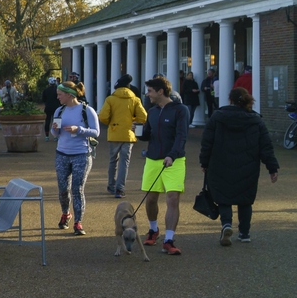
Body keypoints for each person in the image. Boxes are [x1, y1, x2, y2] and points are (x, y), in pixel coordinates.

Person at [200, 87, 279, 245]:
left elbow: (207, 142)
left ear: (230, 100)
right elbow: (266, 146)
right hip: (247, 165)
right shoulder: (256, 120)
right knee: (245, 199)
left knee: (223, 197)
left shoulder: (217, 117)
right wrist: (272, 167)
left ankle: (227, 224)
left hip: (220, 163)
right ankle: (244, 232)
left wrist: (204, 161)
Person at [140, 76, 190, 254]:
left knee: (172, 199)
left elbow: (181, 136)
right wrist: (137, 132)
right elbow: (147, 135)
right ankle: (153, 229)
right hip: (153, 160)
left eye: (150, 91)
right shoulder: (152, 112)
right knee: (151, 198)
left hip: (174, 161)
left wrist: (172, 155)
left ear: (160, 91)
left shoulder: (180, 110)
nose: (147, 94)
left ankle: (169, 240)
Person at [51, 83, 99, 236]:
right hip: (62, 154)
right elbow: (55, 134)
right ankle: (66, 213)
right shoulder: (59, 110)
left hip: (81, 154)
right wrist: (54, 129)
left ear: (70, 95)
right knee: (63, 189)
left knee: (77, 189)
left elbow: (96, 132)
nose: (57, 97)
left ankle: (78, 222)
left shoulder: (87, 110)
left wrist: (79, 130)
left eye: (60, 94)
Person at [100, 74, 148, 199]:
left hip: (114, 132)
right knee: (124, 162)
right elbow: (143, 117)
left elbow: (103, 116)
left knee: (113, 160)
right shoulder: (135, 99)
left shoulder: (111, 99)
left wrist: (111, 123)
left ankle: (111, 185)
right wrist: (134, 121)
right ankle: (120, 189)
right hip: (128, 134)